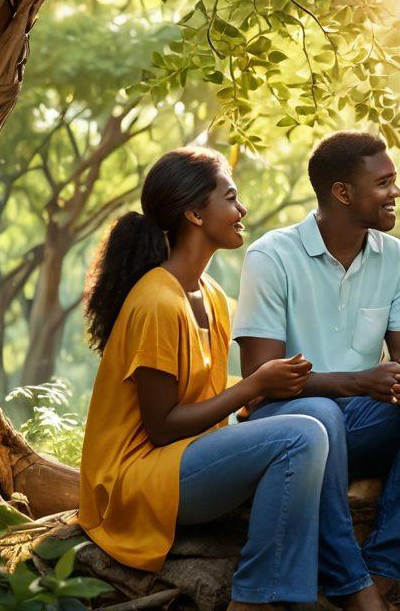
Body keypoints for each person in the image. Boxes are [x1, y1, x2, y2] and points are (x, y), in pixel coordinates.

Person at [79, 148, 327, 611]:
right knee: (300, 436)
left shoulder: (209, 294)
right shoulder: (157, 301)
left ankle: (325, 577)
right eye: (230, 198)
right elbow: (161, 426)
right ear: (194, 214)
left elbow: (205, 392)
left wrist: (263, 394)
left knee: (312, 414)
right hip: (136, 482)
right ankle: (254, 600)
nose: (242, 210)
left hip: (183, 462)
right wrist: (254, 386)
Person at [233, 131, 400, 611]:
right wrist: (359, 382)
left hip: (359, 423)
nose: (396, 192)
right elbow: (258, 375)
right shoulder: (272, 257)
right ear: (343, 193)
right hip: (285, 429)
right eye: (385, 183)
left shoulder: (397, 258)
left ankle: (382, 570)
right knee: (320, 414)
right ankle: (353, 587)